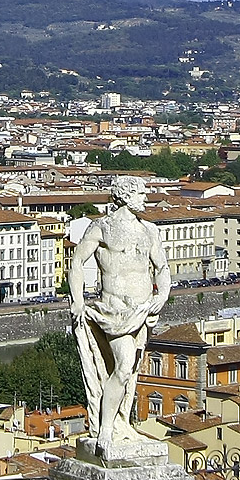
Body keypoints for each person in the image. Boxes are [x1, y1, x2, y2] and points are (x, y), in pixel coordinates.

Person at [68, 176, 172, 461]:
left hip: (143, 312)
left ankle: (121, 423)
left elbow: (162, 268)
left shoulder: (149, 231)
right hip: (114, 311)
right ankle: (105, 430)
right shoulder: (102, 228)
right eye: (141, 193)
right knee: (124, 367)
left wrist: (162, 296)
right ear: (125, 196)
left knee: (131, 371)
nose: (146, 198)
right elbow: (77, 262)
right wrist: (77, 300)